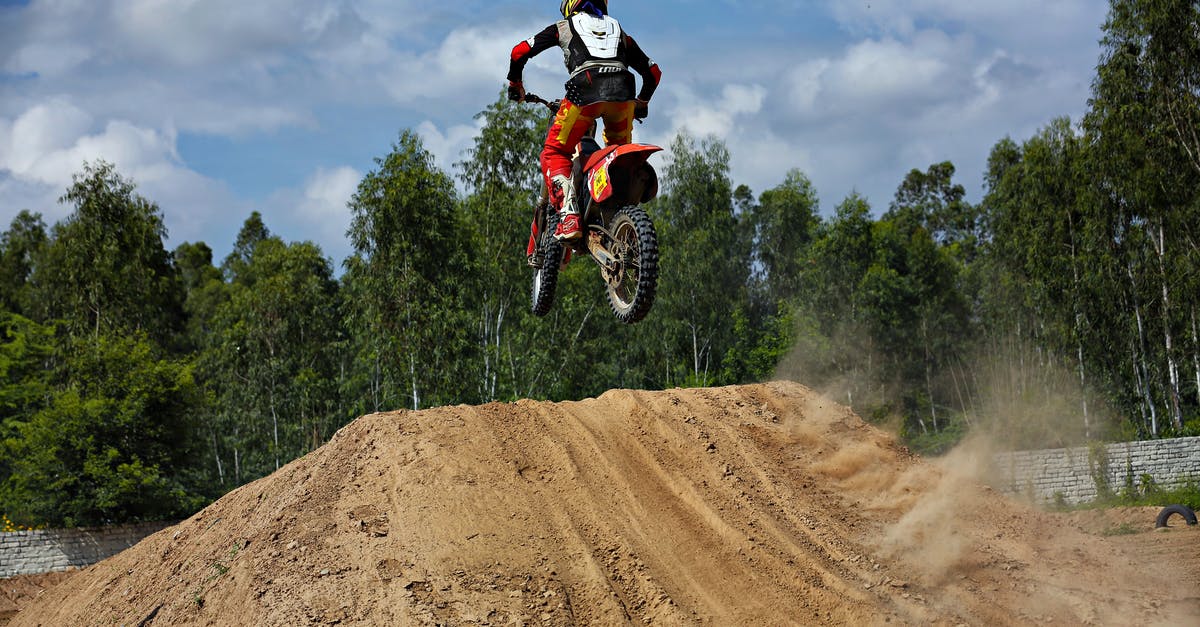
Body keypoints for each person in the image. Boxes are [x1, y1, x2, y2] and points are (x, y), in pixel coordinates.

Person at [508, 0, 661, 241]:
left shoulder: (564, 27)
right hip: (622, 96)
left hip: (584, 95)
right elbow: (653, 73)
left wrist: (515, 84)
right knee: (617, 153)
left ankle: (569, 216)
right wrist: (641, 102)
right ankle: (617, 215)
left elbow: (519, 52)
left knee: (554, 152)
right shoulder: (618, 30)